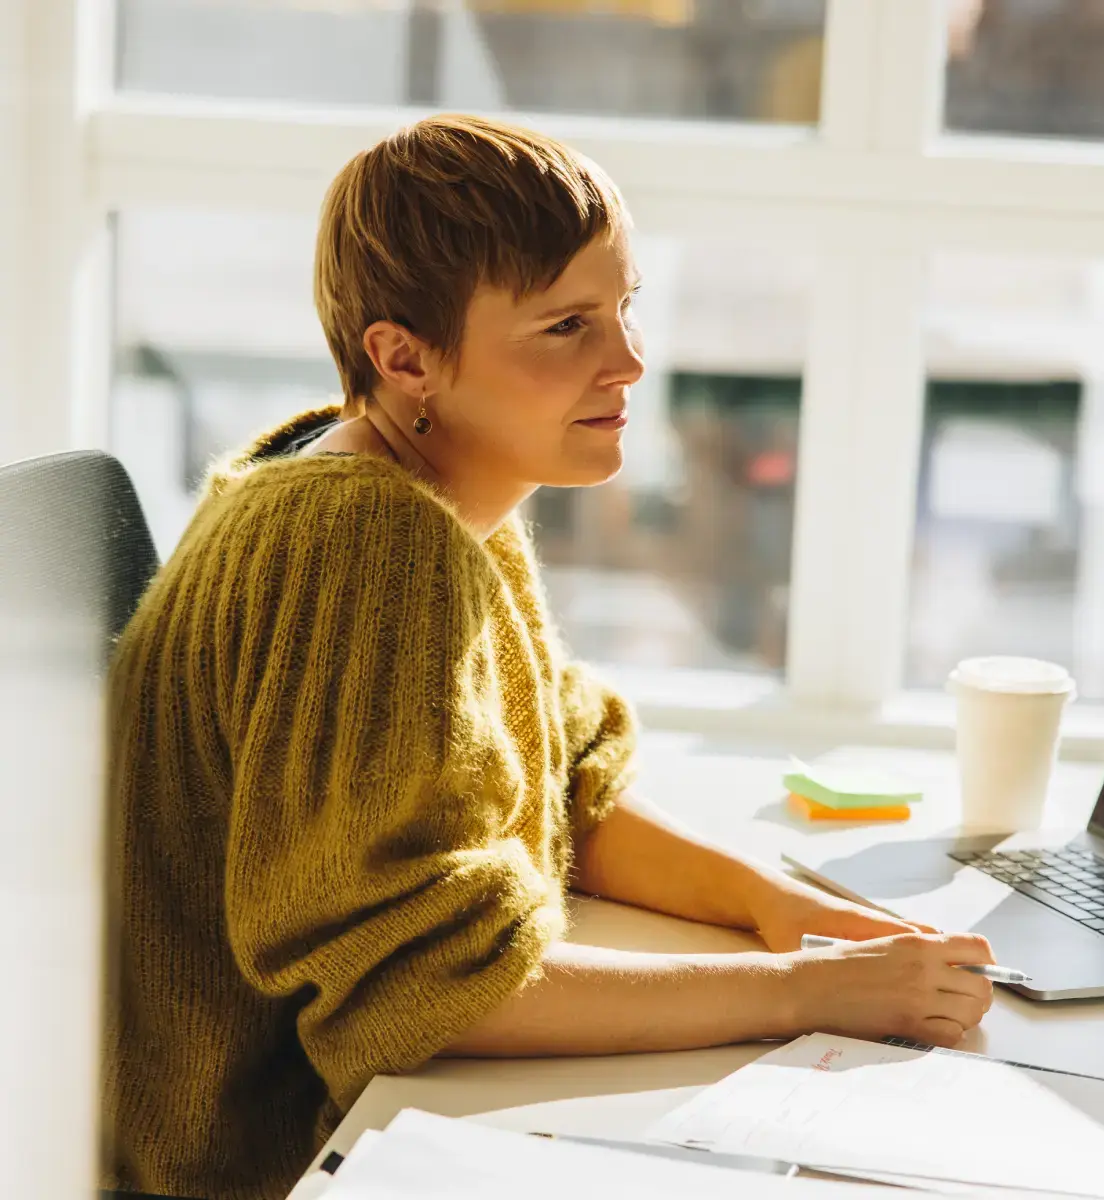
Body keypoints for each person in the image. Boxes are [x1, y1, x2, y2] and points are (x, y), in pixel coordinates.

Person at [101, 114, 994, 1200]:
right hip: (280, 1166)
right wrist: (804, 991)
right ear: (404, 357)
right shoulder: (365, 545)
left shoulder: (434, 493)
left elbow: (561, 782)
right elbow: (424, 992)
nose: (629, 362)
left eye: (624, 310)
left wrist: (775, 905)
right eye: (567, 327)